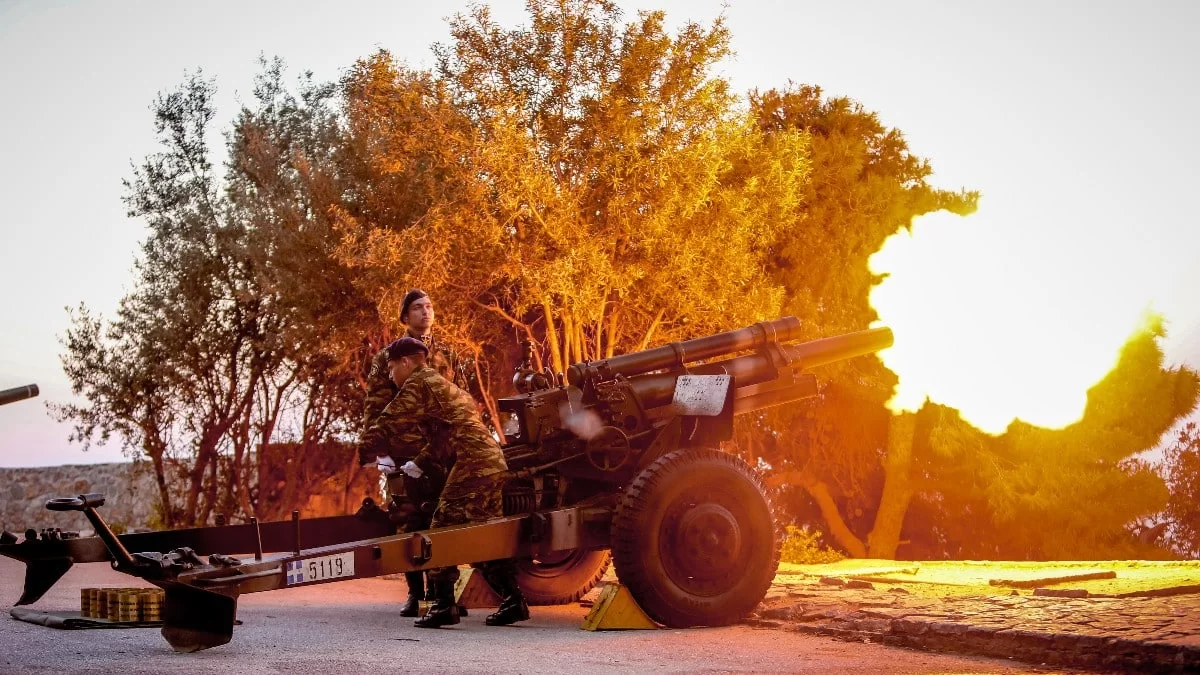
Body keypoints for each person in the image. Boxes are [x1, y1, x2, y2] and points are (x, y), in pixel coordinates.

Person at [358, 336, 529, 628]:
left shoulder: (418, 383)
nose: (390, 376)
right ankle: (514, 601)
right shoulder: (444, 386)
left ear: (406, 362)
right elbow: (442, 440)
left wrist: (365, 451)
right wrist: (419, 463)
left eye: (391, 369)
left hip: (474, 463)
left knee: (440, 531)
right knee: (480, 537)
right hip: (490, 461)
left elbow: (390, 420)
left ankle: (443, 605)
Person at [361, 289, 470, 617]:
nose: (425, 312)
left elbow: (463, 397)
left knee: (444, 518)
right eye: (418, 308)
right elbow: (375, 405)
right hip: (402, 450)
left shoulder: (447, 354)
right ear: (405, 317)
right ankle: (414, 593)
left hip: (440, 450)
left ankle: (444, 594)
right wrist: (379, 450)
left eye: (429, 306)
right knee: (407, 519)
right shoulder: (390, 356)